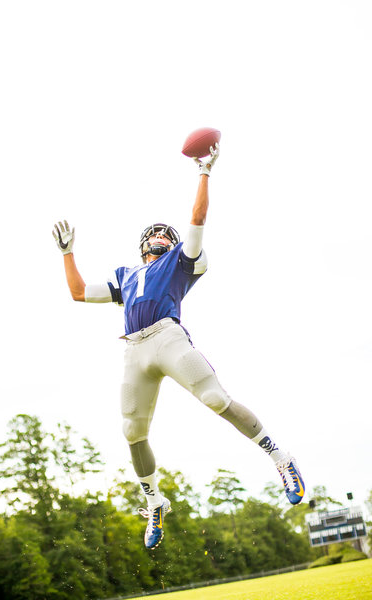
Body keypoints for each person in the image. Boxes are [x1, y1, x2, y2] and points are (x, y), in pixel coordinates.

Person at [53, 144, 305, 550]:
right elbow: (79, 293)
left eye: (166, 235)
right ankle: (154, 502)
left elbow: (197, 218)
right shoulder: (127, 275)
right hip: (134, 349)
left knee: (214, 399)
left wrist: (204, 173)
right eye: (154, 233)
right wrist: (67, 253)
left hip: (168, 337)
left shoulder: (180, 263)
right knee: (132, 432)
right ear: (141, 244)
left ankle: (280, 456)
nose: (160, 236)